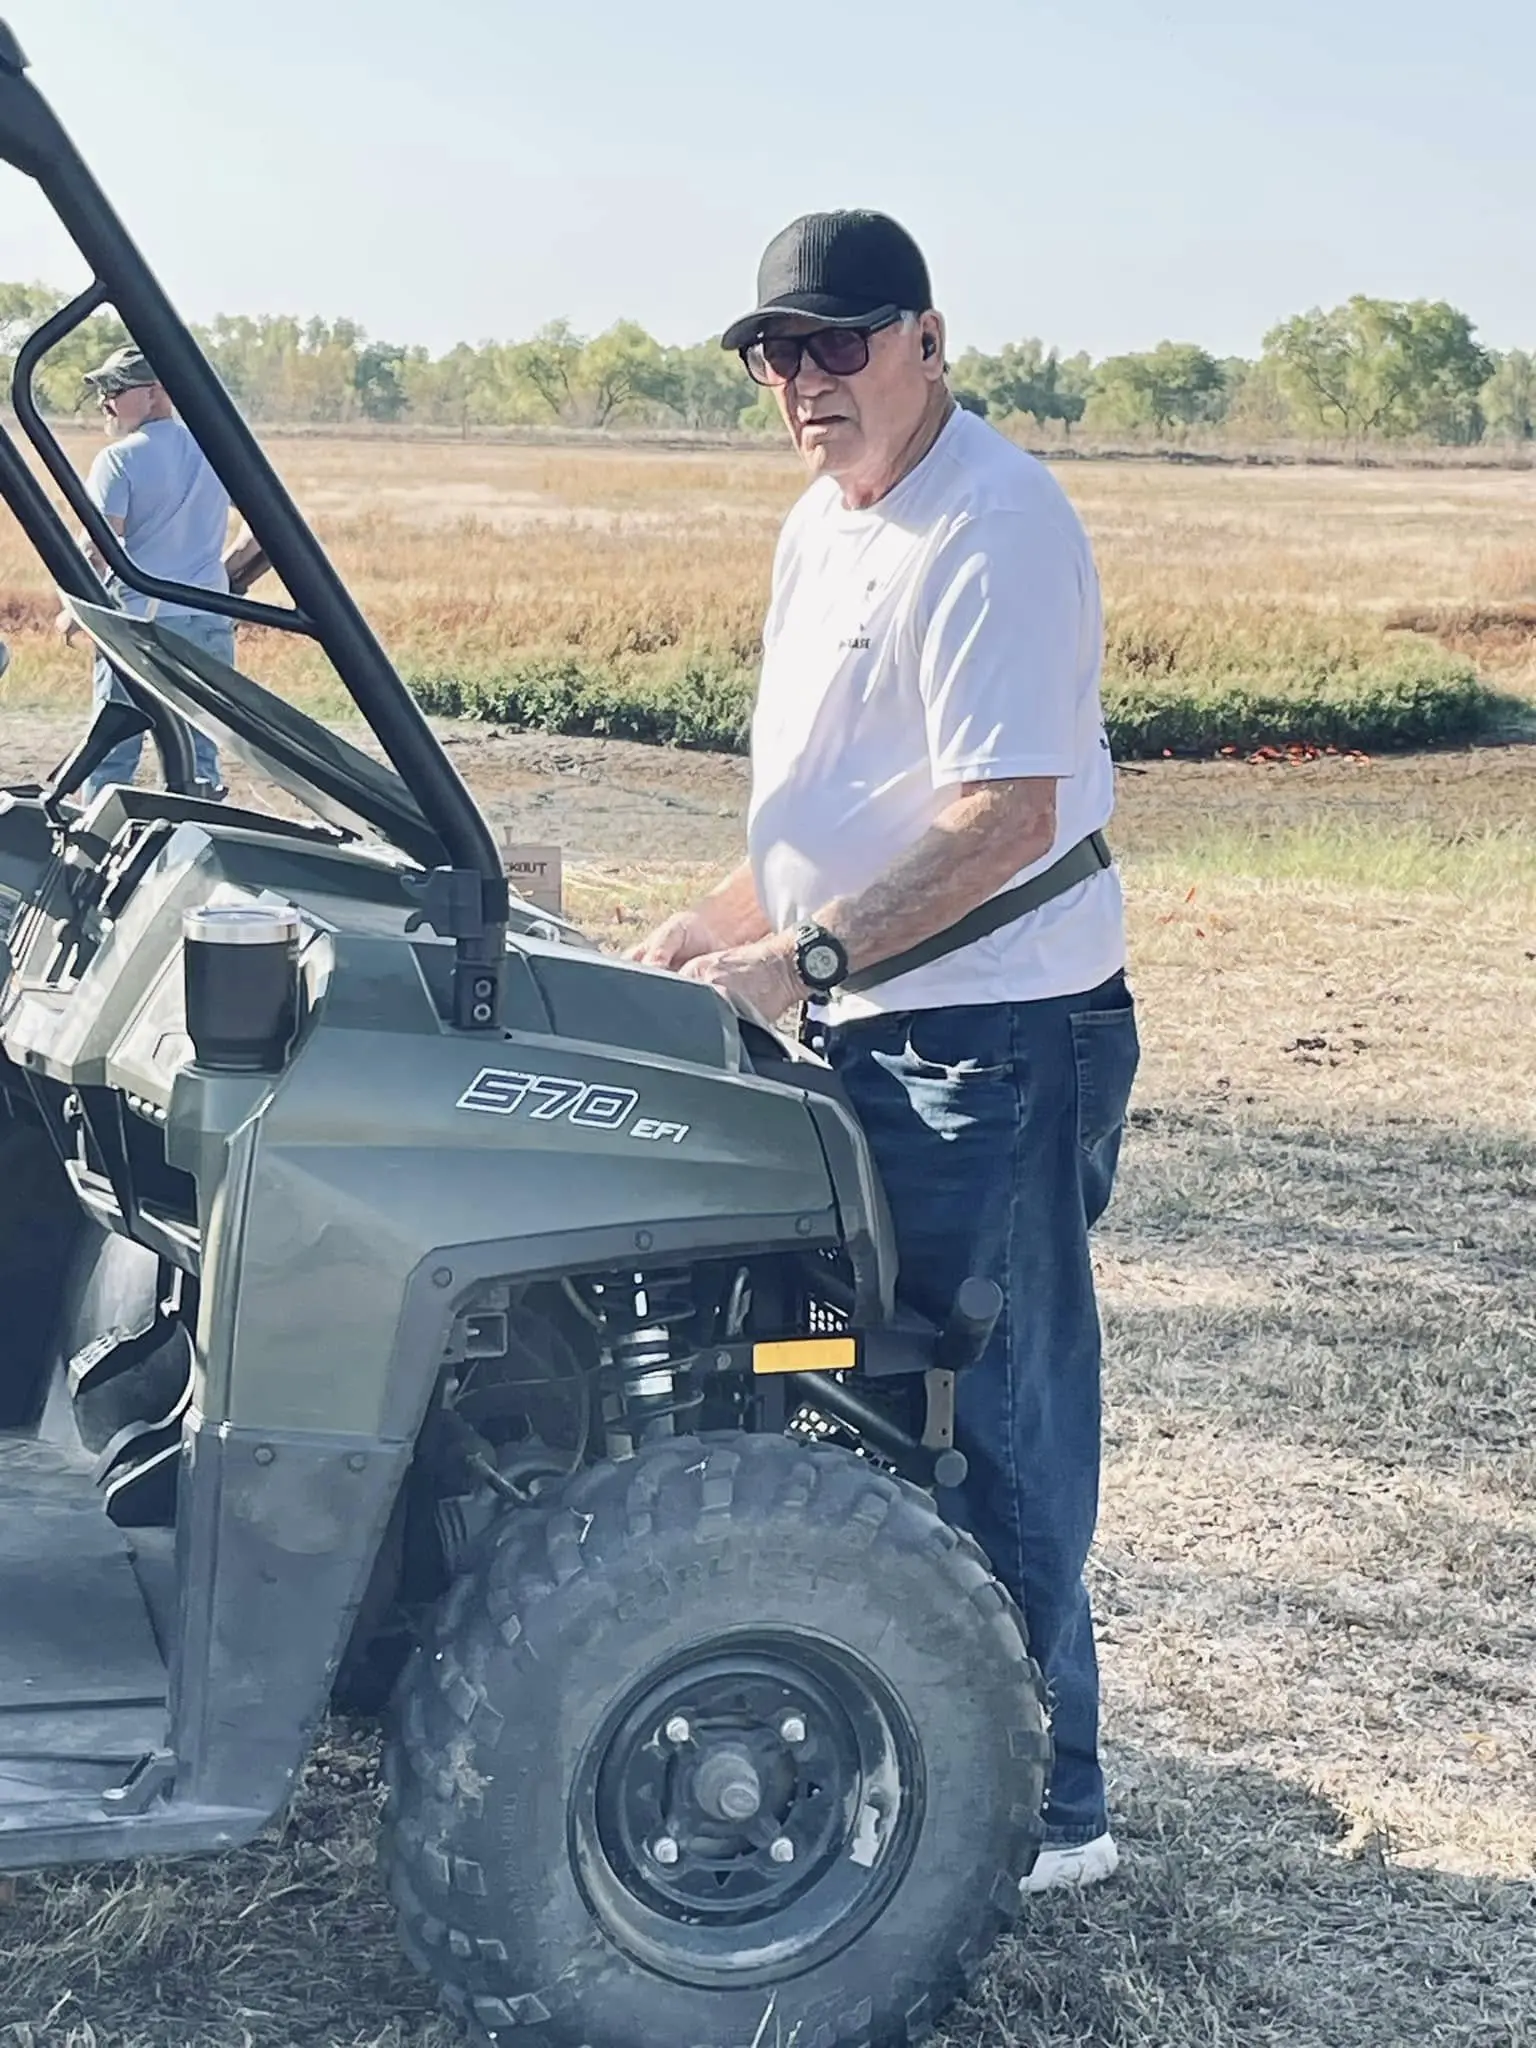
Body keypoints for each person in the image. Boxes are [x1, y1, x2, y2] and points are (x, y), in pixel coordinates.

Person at [630, 210, 1140, 1892]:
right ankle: (926, 1717)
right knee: (856, 1390)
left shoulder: (993, 520)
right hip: (861, 1012)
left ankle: (1051, 1801)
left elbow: (1006, 817)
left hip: (987, 1037)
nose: (802, 382)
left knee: (988, 1401)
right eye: (775, 353)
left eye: (837, 343)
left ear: (927, 335)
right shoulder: (818, 524)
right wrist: (719, 925)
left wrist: (806, 953)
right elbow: (833, 806)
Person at [55, 344, 262, 801]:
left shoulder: (119, 459)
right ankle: (194, 837)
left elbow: (98, 546)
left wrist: (74, 608)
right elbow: (263, 531)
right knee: (200, 750)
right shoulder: (216, 451)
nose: (104, 400)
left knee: (112, 751)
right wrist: (221, 579)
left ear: (156, 393)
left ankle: (95, 854)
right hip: (209, 620)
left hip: (140, 625)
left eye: (116, 388)